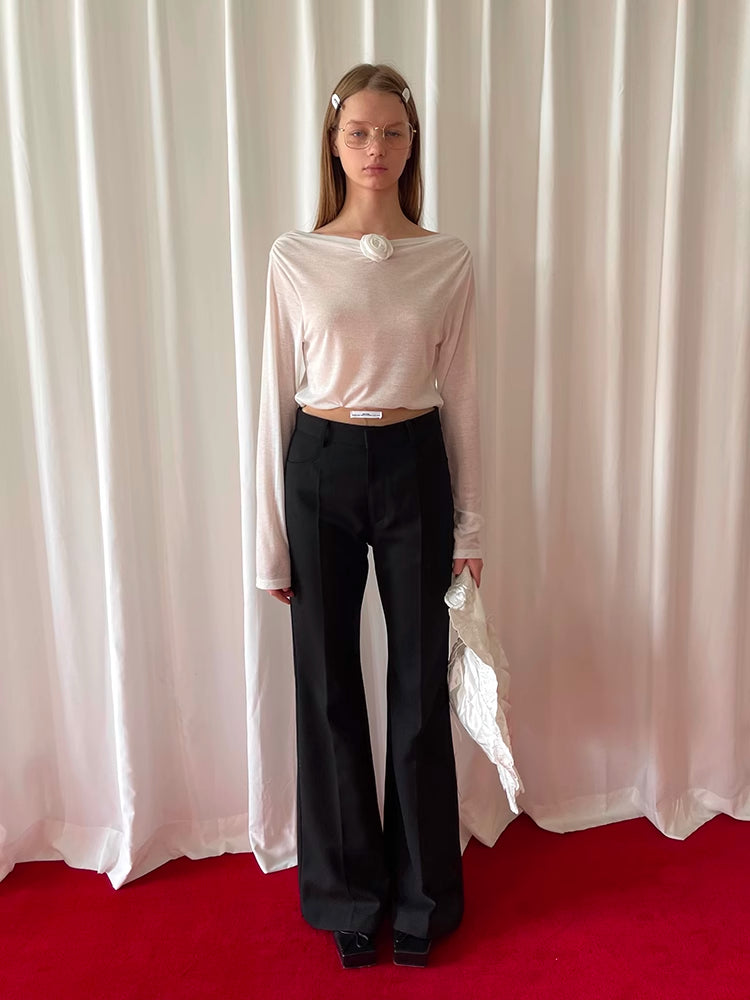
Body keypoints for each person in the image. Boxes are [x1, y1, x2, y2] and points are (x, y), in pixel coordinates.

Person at [255, 63, 483, 969]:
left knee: (419, 688)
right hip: (319, 465)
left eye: (392, 132)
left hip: (414, 463)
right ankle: (348, 893)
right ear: (334, 143)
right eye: (359, 133)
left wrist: (472, 529)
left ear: (412, 142)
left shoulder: (446, 259)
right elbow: (272, 396)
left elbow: (465, 397)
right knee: (327, 686)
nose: (375, 148)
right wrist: (270, 542)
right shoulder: (295, 257)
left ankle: (423, 896)